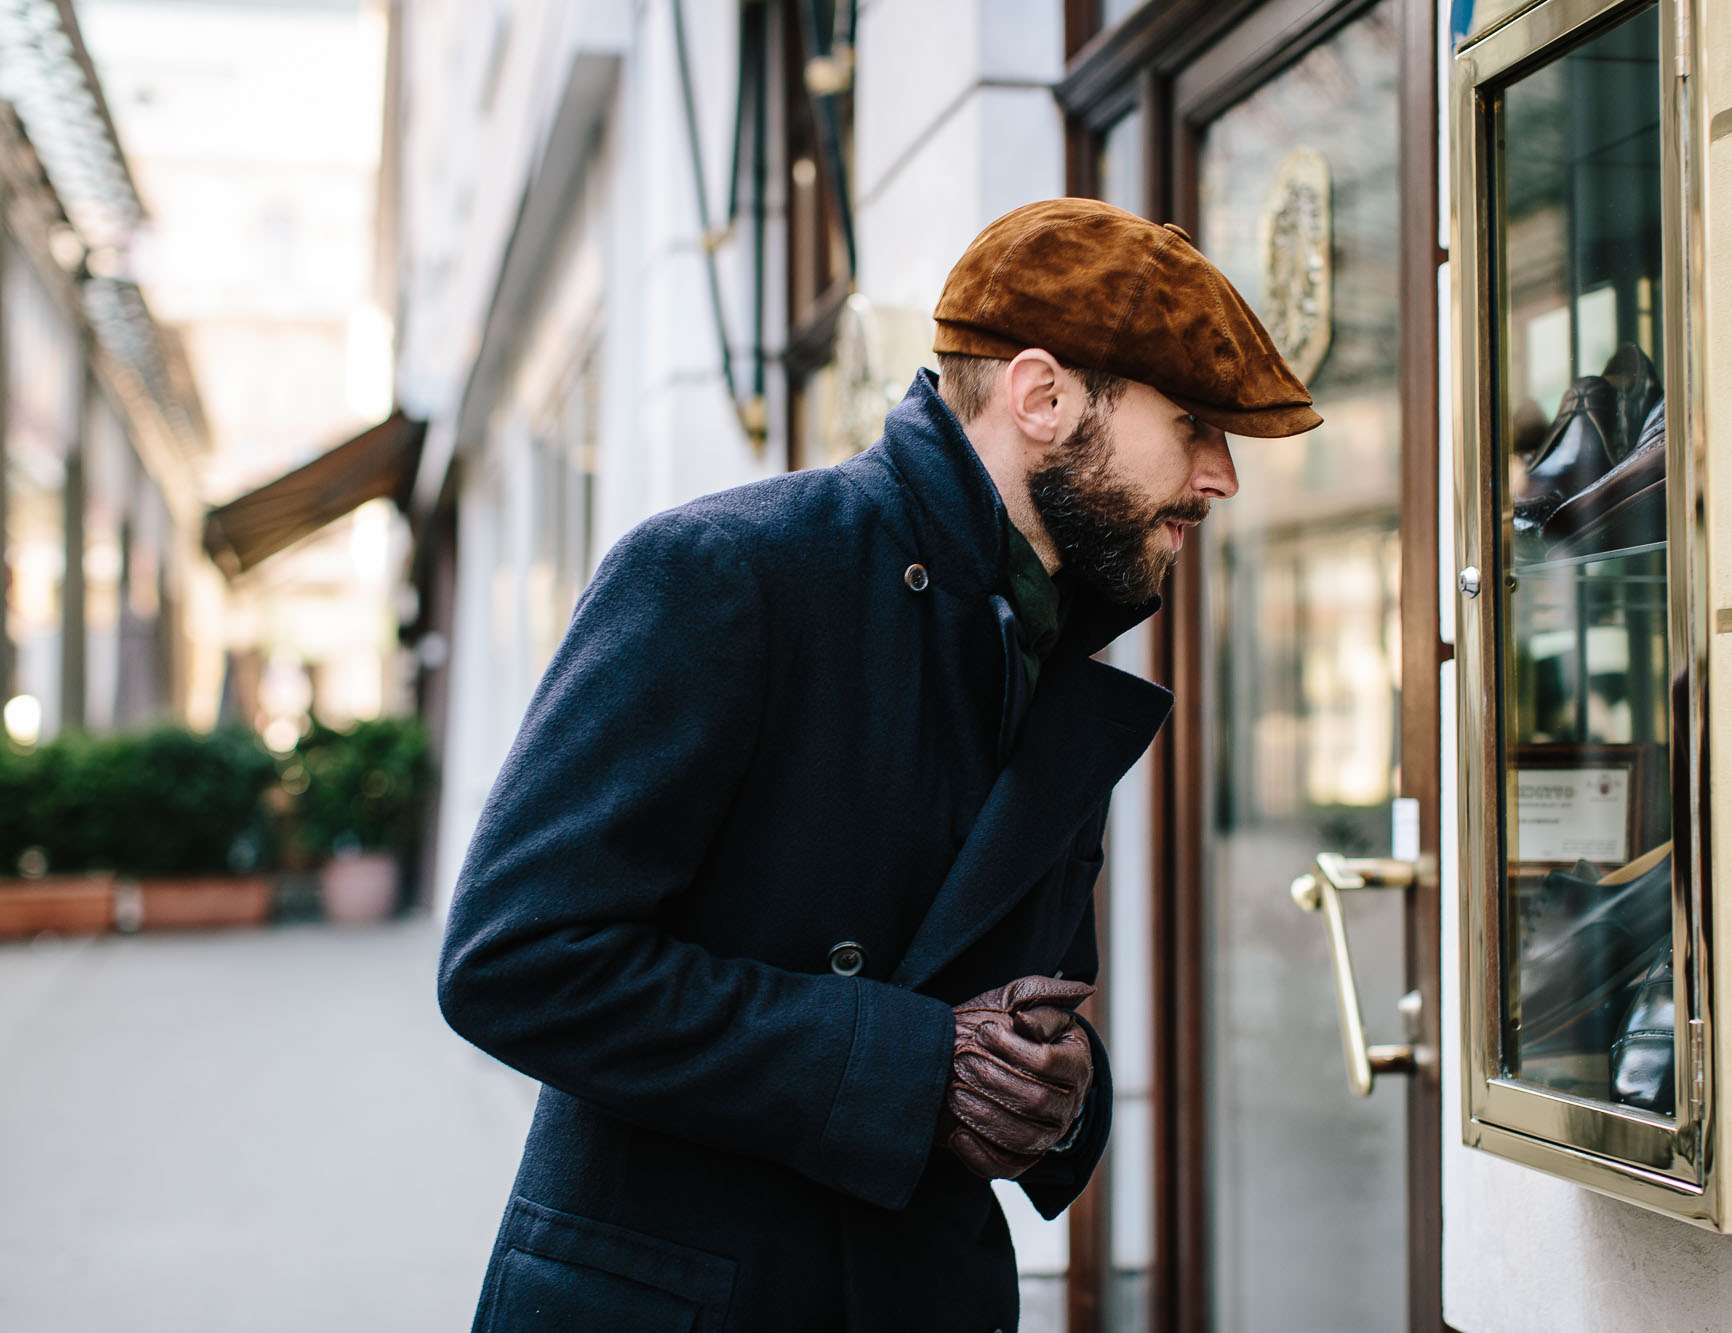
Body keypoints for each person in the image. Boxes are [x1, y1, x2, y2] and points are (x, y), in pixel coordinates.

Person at [437, 198, 1319, 1331]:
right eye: (1194, 423)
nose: (1219, 477)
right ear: (1041, 397)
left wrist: (1057, 1092)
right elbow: (515, 958)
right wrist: (908, 1067)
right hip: (678, 1294)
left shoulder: (1052, 641)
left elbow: (1020, 998)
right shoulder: (724, 571)